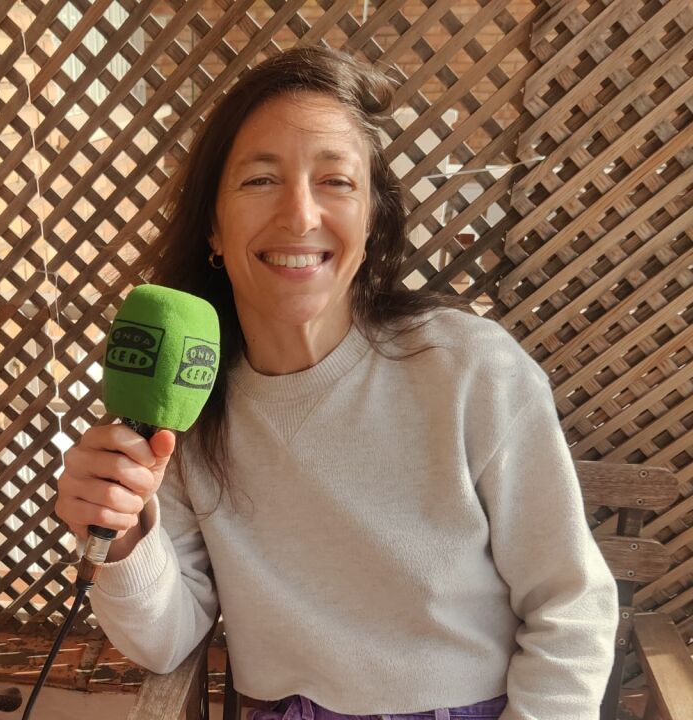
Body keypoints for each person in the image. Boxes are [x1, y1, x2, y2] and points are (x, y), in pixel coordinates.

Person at [54, 46, 619, 720]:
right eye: (260, 179)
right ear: (213, 225)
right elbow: (164, 640)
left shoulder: (470, 369)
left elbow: (570, 605)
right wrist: (123, 536)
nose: (299, 216)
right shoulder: (188, 404)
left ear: (373, 218)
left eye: (336, 181)